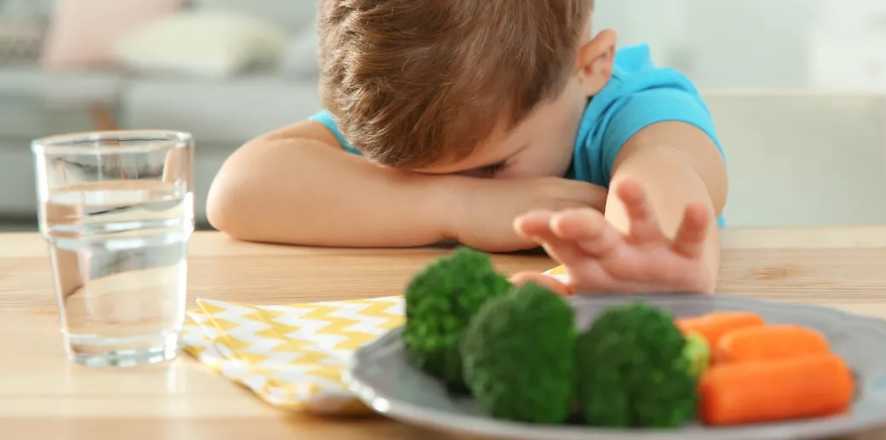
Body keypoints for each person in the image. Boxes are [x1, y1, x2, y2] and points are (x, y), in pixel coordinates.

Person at [207, 0, 728, 294]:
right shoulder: (420, 115)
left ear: (590, 66)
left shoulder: (632, 106)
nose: (446, 180)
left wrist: (647, 258)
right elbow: (236, 191)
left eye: (492, 168)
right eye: (408, 174)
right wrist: (459, 205)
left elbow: (667, 170)